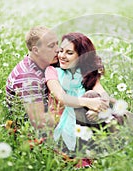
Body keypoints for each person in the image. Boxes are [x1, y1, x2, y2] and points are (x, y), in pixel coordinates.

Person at [5, 26, 108, 138]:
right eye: (51, 46)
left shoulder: (47, 63)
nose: (58, 50)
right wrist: (87, 105)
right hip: (37, 132)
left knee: (95, 98)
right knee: (91, 99)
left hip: (60, 115)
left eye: (57, 44)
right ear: (36, 50)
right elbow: (39, 122)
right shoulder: (28, 78)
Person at [45, 32, 116, 168]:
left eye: (69, 53)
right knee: (91, 97)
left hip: (86, 120)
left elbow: (102, 93)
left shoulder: (85, 74)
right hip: (61, 121)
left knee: (106, 100)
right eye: (61, 51)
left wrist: (99, 109)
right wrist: (89, 103)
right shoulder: (52, 71)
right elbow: (62, 98)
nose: (62, 56)